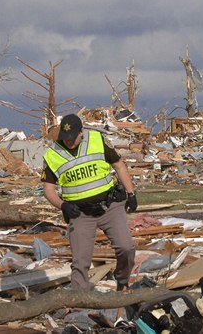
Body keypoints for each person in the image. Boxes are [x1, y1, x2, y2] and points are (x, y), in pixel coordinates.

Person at [41, 114, 137, 291]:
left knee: (126, 247)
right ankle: (81, 299)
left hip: (109, 206)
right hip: (80, 213)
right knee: (80, 261)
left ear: (81, 132)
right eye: (65, 138)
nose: (69, 142)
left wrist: (131, 193)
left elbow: (119, 165)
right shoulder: (52, 154)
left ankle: (122, 281)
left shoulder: (97, 140)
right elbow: (48, 189)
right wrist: (63, 206)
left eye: (72, 138)